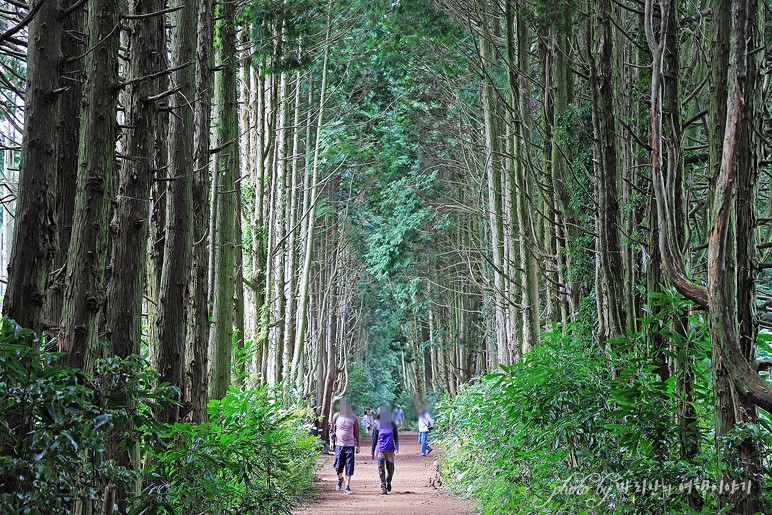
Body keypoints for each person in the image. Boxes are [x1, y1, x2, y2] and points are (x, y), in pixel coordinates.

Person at [330, 398, 361, 495]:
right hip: (339, 445)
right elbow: (332, 430)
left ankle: (347, 486)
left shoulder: (354, 418)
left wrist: (358, 445)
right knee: (338, 466)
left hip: (350, 445)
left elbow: (357, 432)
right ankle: (340, 479)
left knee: (349, 466)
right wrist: (331, 441)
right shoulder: (336, 416)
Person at [371, 404, 399, 495]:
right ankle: (383, 488)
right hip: (380, 450)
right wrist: (372, 451)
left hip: (390, 450)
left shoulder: (392, 424)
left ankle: (388, 481)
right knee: (381, 469)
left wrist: (397, 447)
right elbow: (374, 439)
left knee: (390, 470)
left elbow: (396, 437)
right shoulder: (376, 425)